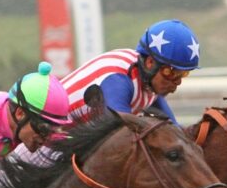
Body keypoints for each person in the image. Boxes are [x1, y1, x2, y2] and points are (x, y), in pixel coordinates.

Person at [61, 19, 200, 123]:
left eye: (183, 74)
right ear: (150, 62)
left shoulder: (150, 83)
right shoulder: (118, 78)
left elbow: (175, 131)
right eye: (170, 72)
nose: (177, 82)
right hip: (49, 136)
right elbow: (121, 130)